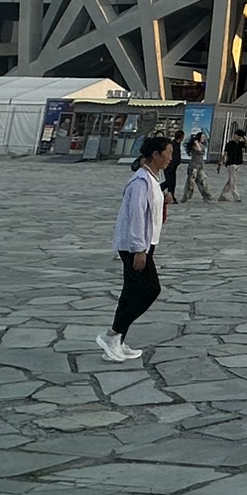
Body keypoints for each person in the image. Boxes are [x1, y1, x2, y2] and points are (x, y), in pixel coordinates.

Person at [99, 135, 171, 362]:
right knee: (150, 290)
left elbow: (151, 214)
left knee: (131, 292)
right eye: (167, 153)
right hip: (135, 245)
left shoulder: (151, 180)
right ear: (156, 155)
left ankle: (116, 343)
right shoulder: (141, 182)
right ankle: (112, 334)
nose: (170, 157)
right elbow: (137, 217)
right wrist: (140, 250)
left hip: (144, 243)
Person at [181, 128, 213, 203]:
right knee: (190, 182)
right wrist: (195, 142)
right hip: (193, 166)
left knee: (202, 181)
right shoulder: (194, 145)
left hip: (200, 165)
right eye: (202, 137)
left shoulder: (203, 145)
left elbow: (202, 150)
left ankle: (206, 196)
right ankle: (186, 197)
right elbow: (199, 150)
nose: (203, 139)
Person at [218, 129, 246, 201]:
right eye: (238, 136)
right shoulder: (229, 144)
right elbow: (225, 154)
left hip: (238, 163)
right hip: (231, 164)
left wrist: (245, 138)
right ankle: (236, 196)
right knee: (233, 181)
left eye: (240, 136)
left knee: (230, 181)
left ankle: (223, 195)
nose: (239, 138)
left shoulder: (241, 144)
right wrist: (220, 163)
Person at [158, 133, 182, 209]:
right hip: (169, 166)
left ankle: (169, 194)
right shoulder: (173, 144)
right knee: (169, 181)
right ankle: (165, 192)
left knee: (171, 181)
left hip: (173, 166)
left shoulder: (176, 144)